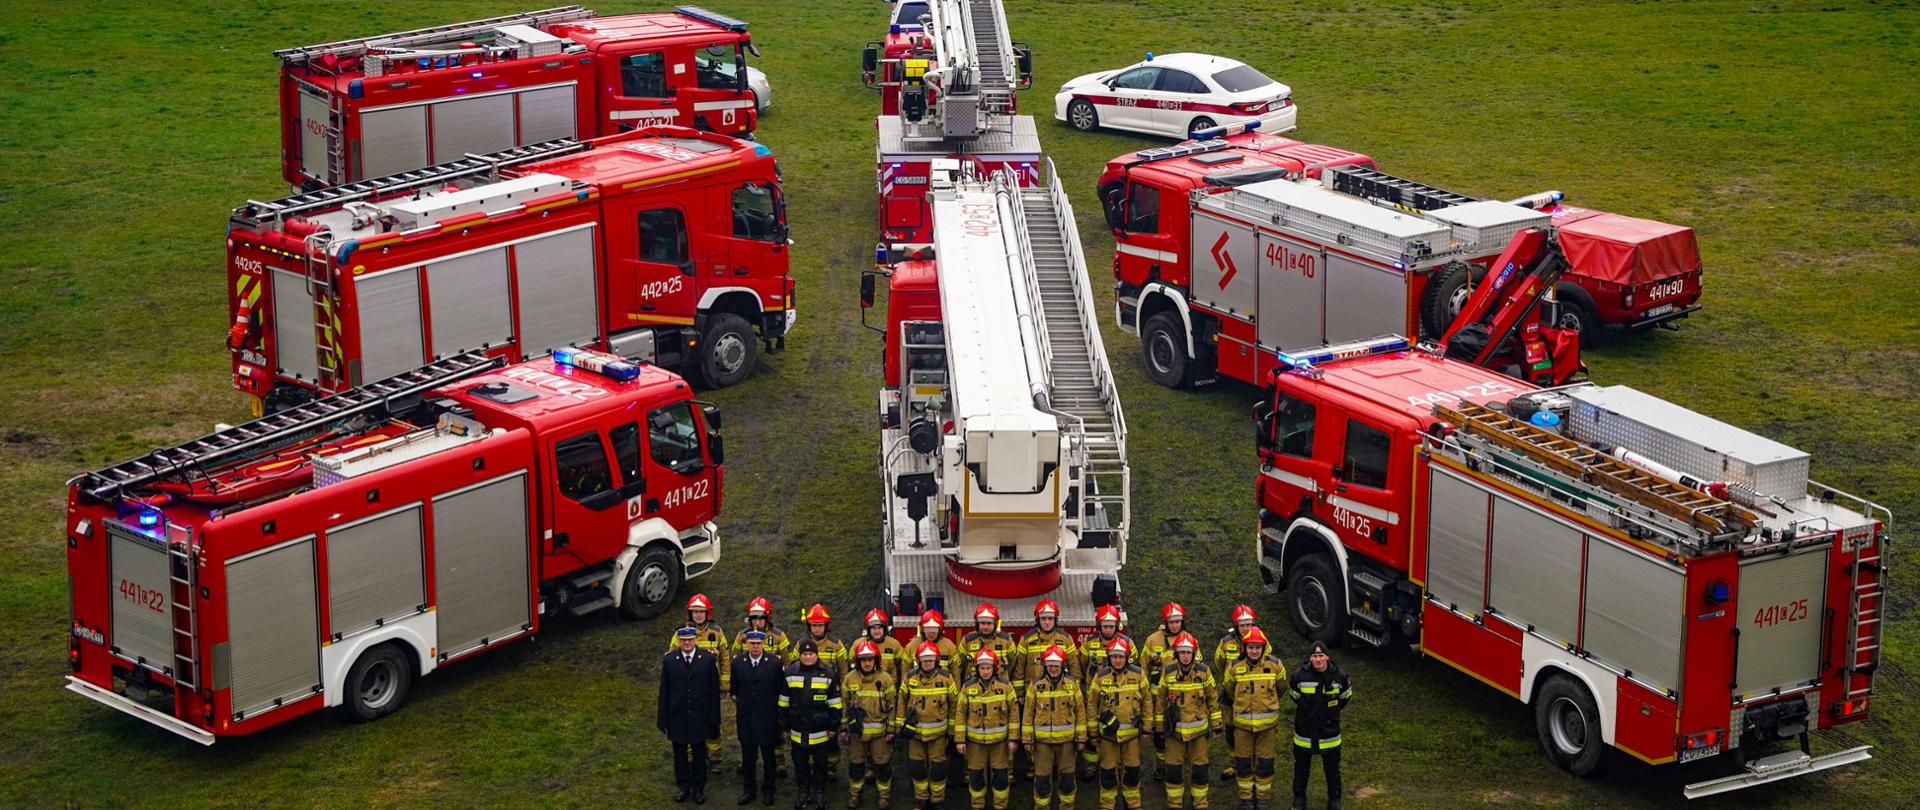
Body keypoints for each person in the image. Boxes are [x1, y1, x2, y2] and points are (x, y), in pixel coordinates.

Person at [1221, 627, 1285, 810]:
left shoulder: (1275, 665)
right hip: (1242, 727)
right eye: (1251, 647)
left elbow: (1281, 687)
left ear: (1263, 648)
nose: (1254, 651)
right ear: (1245, 648)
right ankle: (1246, 799)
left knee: (1265, 764)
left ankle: (1263, 799)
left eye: (1258, 647)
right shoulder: (1234, 667)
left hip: (1267, 728)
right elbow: (1229, 689)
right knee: (1243, 764)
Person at [1156, 632, 1220, 810]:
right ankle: (1175, 803)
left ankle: (1200, 803)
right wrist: (1160, 727)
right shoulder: (1168, 672)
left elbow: (1213, 699)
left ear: (1194, 654)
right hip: (1174, 733)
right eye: (1182, 652)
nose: (1185, 656)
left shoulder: (1204, 671)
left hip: (1199, 734)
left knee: (1200, 770)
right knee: (1173, 771)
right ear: (1176, 654)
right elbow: (1160, 701)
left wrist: (1216, 725)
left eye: (1188, 652)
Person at [661, 626, 722, 804]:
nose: (687, 643)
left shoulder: (708, 660)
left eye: (690, 640)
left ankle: (699, 788)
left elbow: (713, 693)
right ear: (679, 641)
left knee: (699, 753)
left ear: (695, 640)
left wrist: (714, 719)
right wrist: (663, 718)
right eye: (683, 640)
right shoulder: (670, 660)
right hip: (678, 716)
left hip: (700, 716)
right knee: (679, 754)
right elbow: (664, 690)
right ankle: (683, 786)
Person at [1288, 641, 1351, 810]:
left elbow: (1345, 697)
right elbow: (1294, 696)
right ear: (1310, 658)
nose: (1318, 659)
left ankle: (1334, 800)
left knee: (1332, 770)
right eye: (1314, 656)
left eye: (1321, 655)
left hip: (1329, 734)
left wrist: (1330, 714)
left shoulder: (1340, 677)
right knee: (1301, 768)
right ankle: (1299, 799)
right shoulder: (1298, 677)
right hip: (1304, 733)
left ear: (1327, 656)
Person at [1089, 637, 1150, 810]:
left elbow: (1147, 702)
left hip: (1132, 737)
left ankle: (1133, 805)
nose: (1117, 660)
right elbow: (1092, 704)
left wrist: (1146, 729)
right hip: (1108, 738)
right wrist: (1093, 732)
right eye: (1114, 656)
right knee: (1107, 774)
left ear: (1127, 657)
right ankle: (1108, 805)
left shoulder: (1138, 675)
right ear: (1109, 658)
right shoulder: (1100, 677)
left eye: (1121, 656)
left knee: (1132, 773)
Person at [1021, 644, 1084, 810]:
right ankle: (1042, 807)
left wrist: (1081, 737)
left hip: (1068, 742)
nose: (1053, 669)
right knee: (1041, 778)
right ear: (1044, 667)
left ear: (1063, 666)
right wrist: (1027, 738)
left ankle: (1067, 806)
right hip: (1042, 743)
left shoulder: (1072, 685)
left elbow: (1081, 712)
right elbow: (1028, 713)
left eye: (1056, 666)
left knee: (1068, 778)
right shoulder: (1035, 685)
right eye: (1050, 666)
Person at [782, 639, 843, 810]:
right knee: (800, 764)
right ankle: (803, 792)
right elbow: (783, 702)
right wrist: (785, 726)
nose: (808, 657)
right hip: (797, 729)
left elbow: (835, 704)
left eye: (811, 654)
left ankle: (819, 793)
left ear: (817, 655)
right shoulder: (790, 673)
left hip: (821, 731)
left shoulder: (829, 673)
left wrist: (833, 727)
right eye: (805, 654)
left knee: (820, 765)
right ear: (800, 656)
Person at [675, 593, 732, 773]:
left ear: (708, 613)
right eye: (695, 612)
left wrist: (724, 685)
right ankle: (692, 755)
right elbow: (671, 658)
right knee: (691, 721)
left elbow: (725, 658)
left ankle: (715, 758)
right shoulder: (681, 632)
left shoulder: (716, 632)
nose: (698, 615)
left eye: (701, 611)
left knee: (713, 722)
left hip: (711, 688)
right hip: (690, 688)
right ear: (689, 614)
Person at [957, 649, 1019, 810]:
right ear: (977, 669)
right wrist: (959, 740)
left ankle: (1000, 806)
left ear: (995, 668)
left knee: (1000, 778)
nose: (985, 671)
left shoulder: (1006, 686)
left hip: (1000, 743)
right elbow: (960, 714)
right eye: (982, 668)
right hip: (974, 744)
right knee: (976, 777)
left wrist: (1013, 739)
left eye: (988, 668)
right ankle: (977, 806)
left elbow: (1014, 714)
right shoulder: (968, 687)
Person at [1079, 604, 1135, 780]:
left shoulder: (1128, 644)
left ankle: (1116, 763)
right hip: (1094, 693)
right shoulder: (1089, 644)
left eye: (1111, 626)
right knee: (1092, 730)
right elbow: (1082, 665)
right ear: (1099, 626)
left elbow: (1132, 666)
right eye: (1105, 626)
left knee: (1115, 730)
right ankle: (1091, 764)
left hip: (1119, 695)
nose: (1108, 630)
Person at [900, 641, 959, 810]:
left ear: (937, 660)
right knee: (917, 768)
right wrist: (899, 727)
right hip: (915, 735)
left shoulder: (946, 678)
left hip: (938, 735)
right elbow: (901, 702)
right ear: (918, 661)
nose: (927, 663)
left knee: (938, 769)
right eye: (924, 660)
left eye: (931, 659)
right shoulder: (910, 678)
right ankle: (921, 800)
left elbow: (954, 704)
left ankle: (938, 800)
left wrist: (952, 730)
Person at [841, 640, 898, 808]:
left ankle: (884, 796)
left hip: (880, 733)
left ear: (876, 660)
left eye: (870, 659)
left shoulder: (885, 679)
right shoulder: (849, 678)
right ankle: (855, 794)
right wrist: (844, 728)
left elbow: (892, 706)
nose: (866, 663)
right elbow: (844, 705)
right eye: (863, 660)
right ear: (858, 661)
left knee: (882, 766)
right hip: (857, 733)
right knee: (856, 765)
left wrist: (891, 729)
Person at [732, 630, 786, 806]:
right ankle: (749, 790)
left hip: (767, 718)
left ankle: (769, 791)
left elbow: (780, 689)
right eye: (752, 643)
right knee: (748, 757)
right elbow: (734, 690)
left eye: (758, 644)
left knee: (769, 758)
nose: (755, 647)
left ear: (763, 644)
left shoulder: (774, 663)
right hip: (746, 718)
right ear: (746, 644)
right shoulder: (738, 663)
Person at [1141, 602, 1190, 781]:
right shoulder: (1152, 640)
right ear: (1165, 622)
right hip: (1157, 699)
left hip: (1182, 699)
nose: (1175, 625)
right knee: (1160, 734)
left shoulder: (1189, 640)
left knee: (1179, 732)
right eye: (1171, 621)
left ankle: (1176, 764)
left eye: (1178, 621)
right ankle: (1161, 765)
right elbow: (1144, 668)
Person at [801, 605, 847, 782]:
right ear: (809, 626)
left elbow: (843, 673)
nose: (817, 628)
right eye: (814, 625)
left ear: (827, 625)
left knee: (830, 735)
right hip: (807, 699)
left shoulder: (836, 645)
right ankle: (812, 766)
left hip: (830, 698)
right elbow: (794, 668)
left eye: (820, 625)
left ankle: (831, 767)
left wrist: (842, 697)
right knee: (810, 734)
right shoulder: (802, 643)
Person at [1213, 604, 1258, 786]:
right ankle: (1234, 764)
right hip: (1231, 694)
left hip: (1252, 695)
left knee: (1252, 730)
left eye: (1249, 624)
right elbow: (1219, 663)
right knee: (1231, 730)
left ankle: (1253, 765)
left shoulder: (1261, 641)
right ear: (1236, 625)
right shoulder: (1226, 643)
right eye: (1242, 625)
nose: (1246, 628)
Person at [956, 604, 1023, 694]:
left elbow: (1013, 665)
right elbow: (959, 667)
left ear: (995, 624)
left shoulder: (1006, 640)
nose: (986, 627)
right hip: (974, 693)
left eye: (989, 623)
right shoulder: (967, 641)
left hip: (1000, 691)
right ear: (977, 624)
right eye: (982, 623)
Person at [896, 609, 957, 677]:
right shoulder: (911, 647)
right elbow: (905, 673)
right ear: (922, 629)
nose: (931, 634)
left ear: (940, 630)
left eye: (934, 630)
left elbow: (956, 673)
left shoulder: (949, 647)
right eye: (927, 629)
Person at [736, 596, 794, 664]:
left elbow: (789, 662)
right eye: (754, 619)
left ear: (767, 619)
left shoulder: (779, 636)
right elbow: (734, 661)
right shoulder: (742, 636)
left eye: (760, 619)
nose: (757, 623)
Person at [854, 609, 904, 682]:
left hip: (889, 687)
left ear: (884, 629)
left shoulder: (894, 645)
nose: (877, 631)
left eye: (879, 628)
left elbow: (902, 667)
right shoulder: (858, 644)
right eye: (874, 628)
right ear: (868, 630)